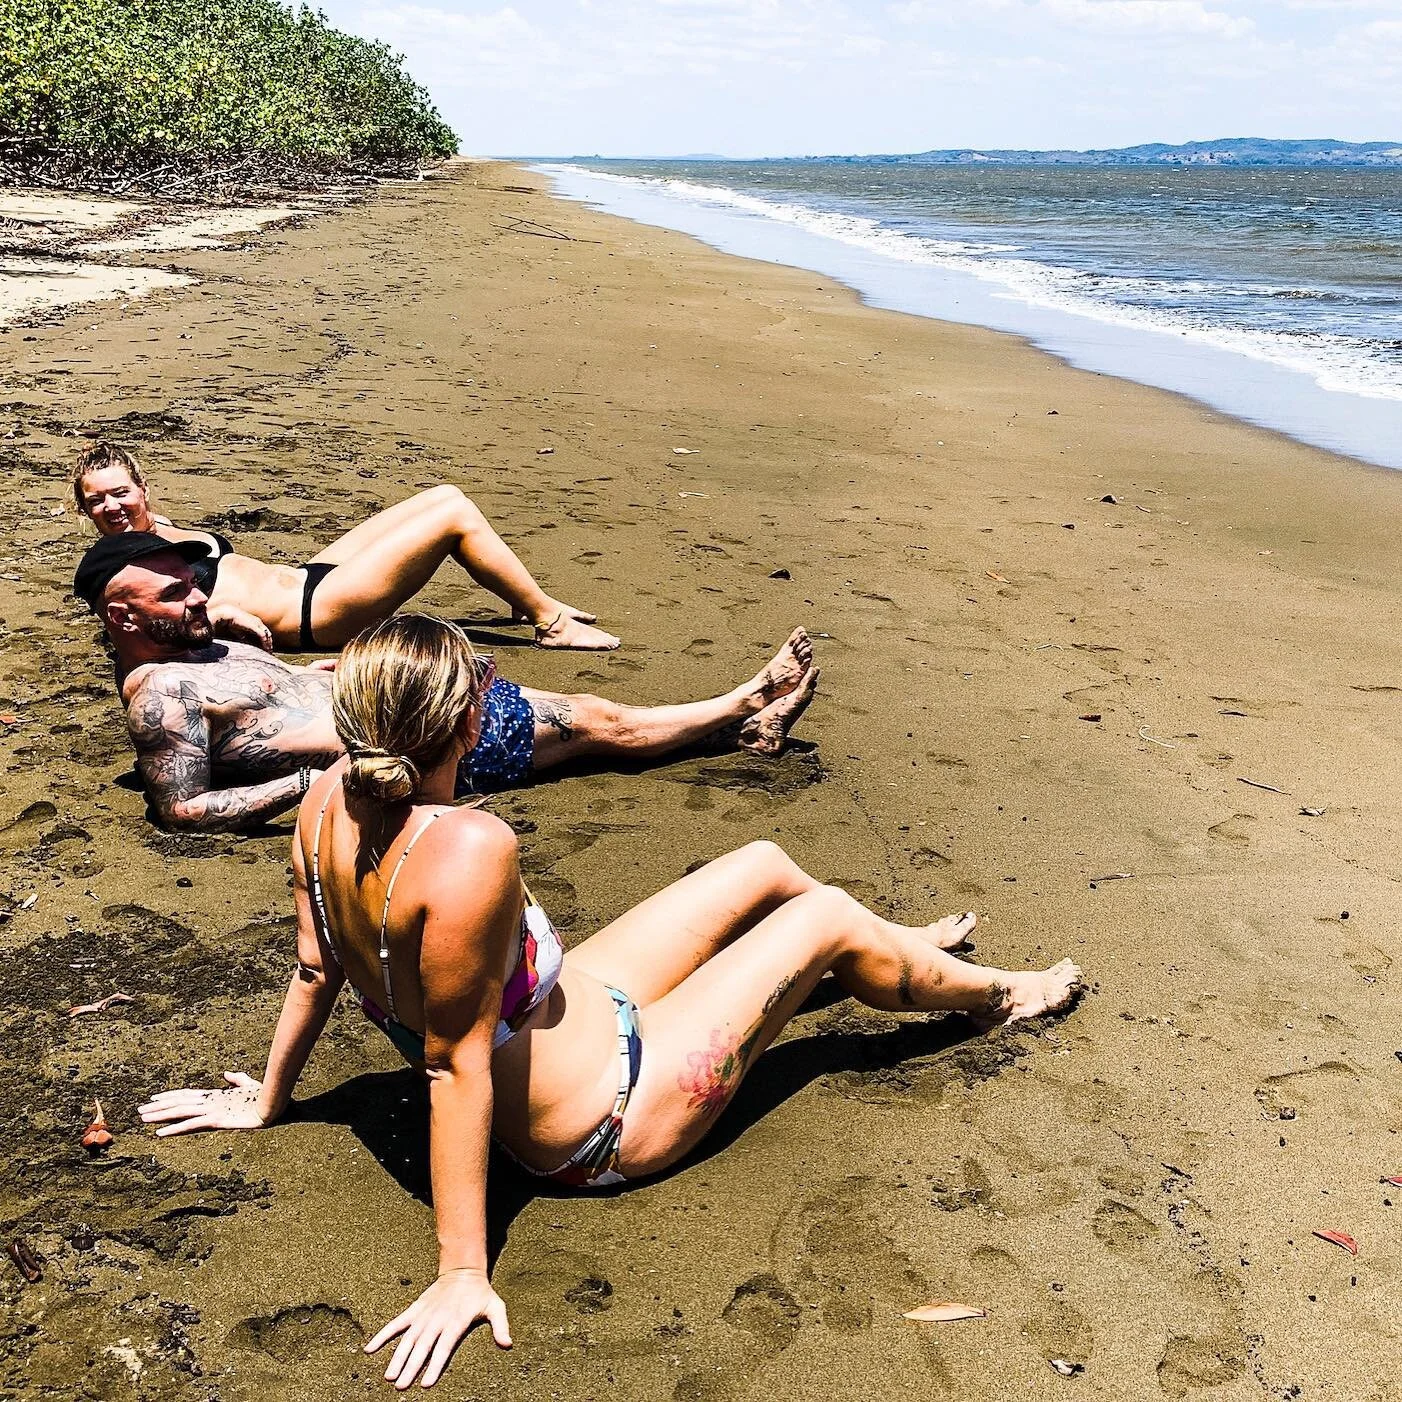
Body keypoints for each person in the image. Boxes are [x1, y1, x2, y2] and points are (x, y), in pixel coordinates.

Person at [139, 614, 1082, 1391]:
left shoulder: (322, 803)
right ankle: (998, 997)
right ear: (468, 726)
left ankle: (896, 950)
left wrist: (269, 1101)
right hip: (604, 1114)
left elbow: (316, 971)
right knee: (825, 916)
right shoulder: (470, 848)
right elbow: (452, 1062)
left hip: (575, 1005)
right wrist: (462, 1272)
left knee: (762, 866)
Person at [74, 535, 819, 833]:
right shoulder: (159, 695)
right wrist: (309, 787)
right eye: (175, 594)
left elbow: (261, 698)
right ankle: (745, 704)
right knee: (598, 724)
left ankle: (742, 725)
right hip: (413, 744)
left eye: (192, 585)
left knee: (588, 720)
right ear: (122, 615)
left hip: (404, 699)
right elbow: (184, 809)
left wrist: (316, 669)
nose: (198, 598)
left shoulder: (197, 649)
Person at [72, 440, 620, 651]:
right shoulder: (120, 574)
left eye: (121, 492)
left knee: (444, 494)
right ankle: (549, 622)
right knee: (453, 518)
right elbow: (141, 625)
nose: (113, 507)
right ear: (85, 511)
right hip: (316, 615)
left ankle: (536, 600)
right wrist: (222, 613)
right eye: (98, 502)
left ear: (143, 489)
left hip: (311, 575)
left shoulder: (157, 531)